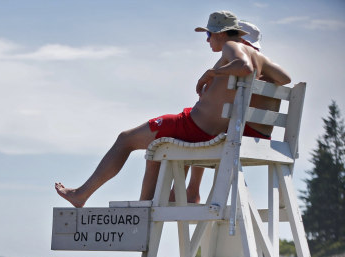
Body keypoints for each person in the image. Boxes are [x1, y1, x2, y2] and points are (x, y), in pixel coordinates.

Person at [55, 11, 291, 207]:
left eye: (209, 34)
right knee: (158, 146)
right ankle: (150, 204)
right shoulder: (260, 57)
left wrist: (212, 72)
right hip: (211, 128)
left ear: (220, 33)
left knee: (126, 139)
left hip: (194, 127)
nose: (207, 40)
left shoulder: (231, 46)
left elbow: (246, 67)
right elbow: (286, 78)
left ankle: (82, 195)